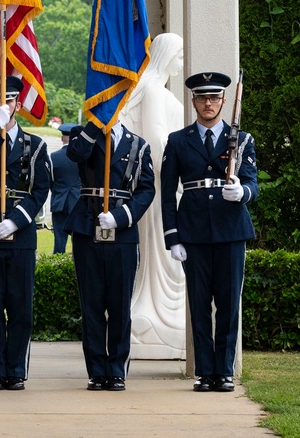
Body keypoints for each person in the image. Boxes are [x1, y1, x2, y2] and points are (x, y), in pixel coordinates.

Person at [161, 72, 258, 393]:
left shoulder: (241, 140)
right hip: (193, 232)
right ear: (193, 102)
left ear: (224, 101)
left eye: (214, 98)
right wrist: (172, 236)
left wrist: (241, 192)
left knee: (229, 304)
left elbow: (252, 183)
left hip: (231, 229)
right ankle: (204, 371)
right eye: (202, 98)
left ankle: (224, 371)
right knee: (200, 304)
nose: (208, 103)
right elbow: (166, 193)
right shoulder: (178, 141)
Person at [0, 76, 51, 391]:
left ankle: (15, 370)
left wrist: (17, 220)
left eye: (10, 100)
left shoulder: (36, 144)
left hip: (21, 232)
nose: (4, 105)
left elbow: (40, 189)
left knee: (20, 306)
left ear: (19, 102)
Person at [64, 117, 155, 391]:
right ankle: (96, 370)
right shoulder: (84, 135)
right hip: (87, 226)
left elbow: (146, 189)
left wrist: (121, 216)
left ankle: (116, 370)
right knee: (91, 305)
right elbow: (76, 153)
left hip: (122, 232)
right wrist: (95, 124)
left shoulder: (138, 145)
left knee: (119, 305)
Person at [119, 33, 187, 358]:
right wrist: (176, 176)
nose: (182, 62)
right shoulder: (154, 92)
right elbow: (156, 138)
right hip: (162, 186)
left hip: (165, 184)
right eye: (180, 55)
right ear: (167, 55)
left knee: (168, 257)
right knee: (164, 254)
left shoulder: (153, 89)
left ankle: (157, 310)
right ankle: (152, 312)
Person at [48, 123, 80, 254]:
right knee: (78, 242)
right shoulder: (82, 157)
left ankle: (57, 269)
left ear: (62, 138)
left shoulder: (53, 157)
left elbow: (51, 181)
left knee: (59, 241)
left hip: (59, 201)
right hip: (77, 202)